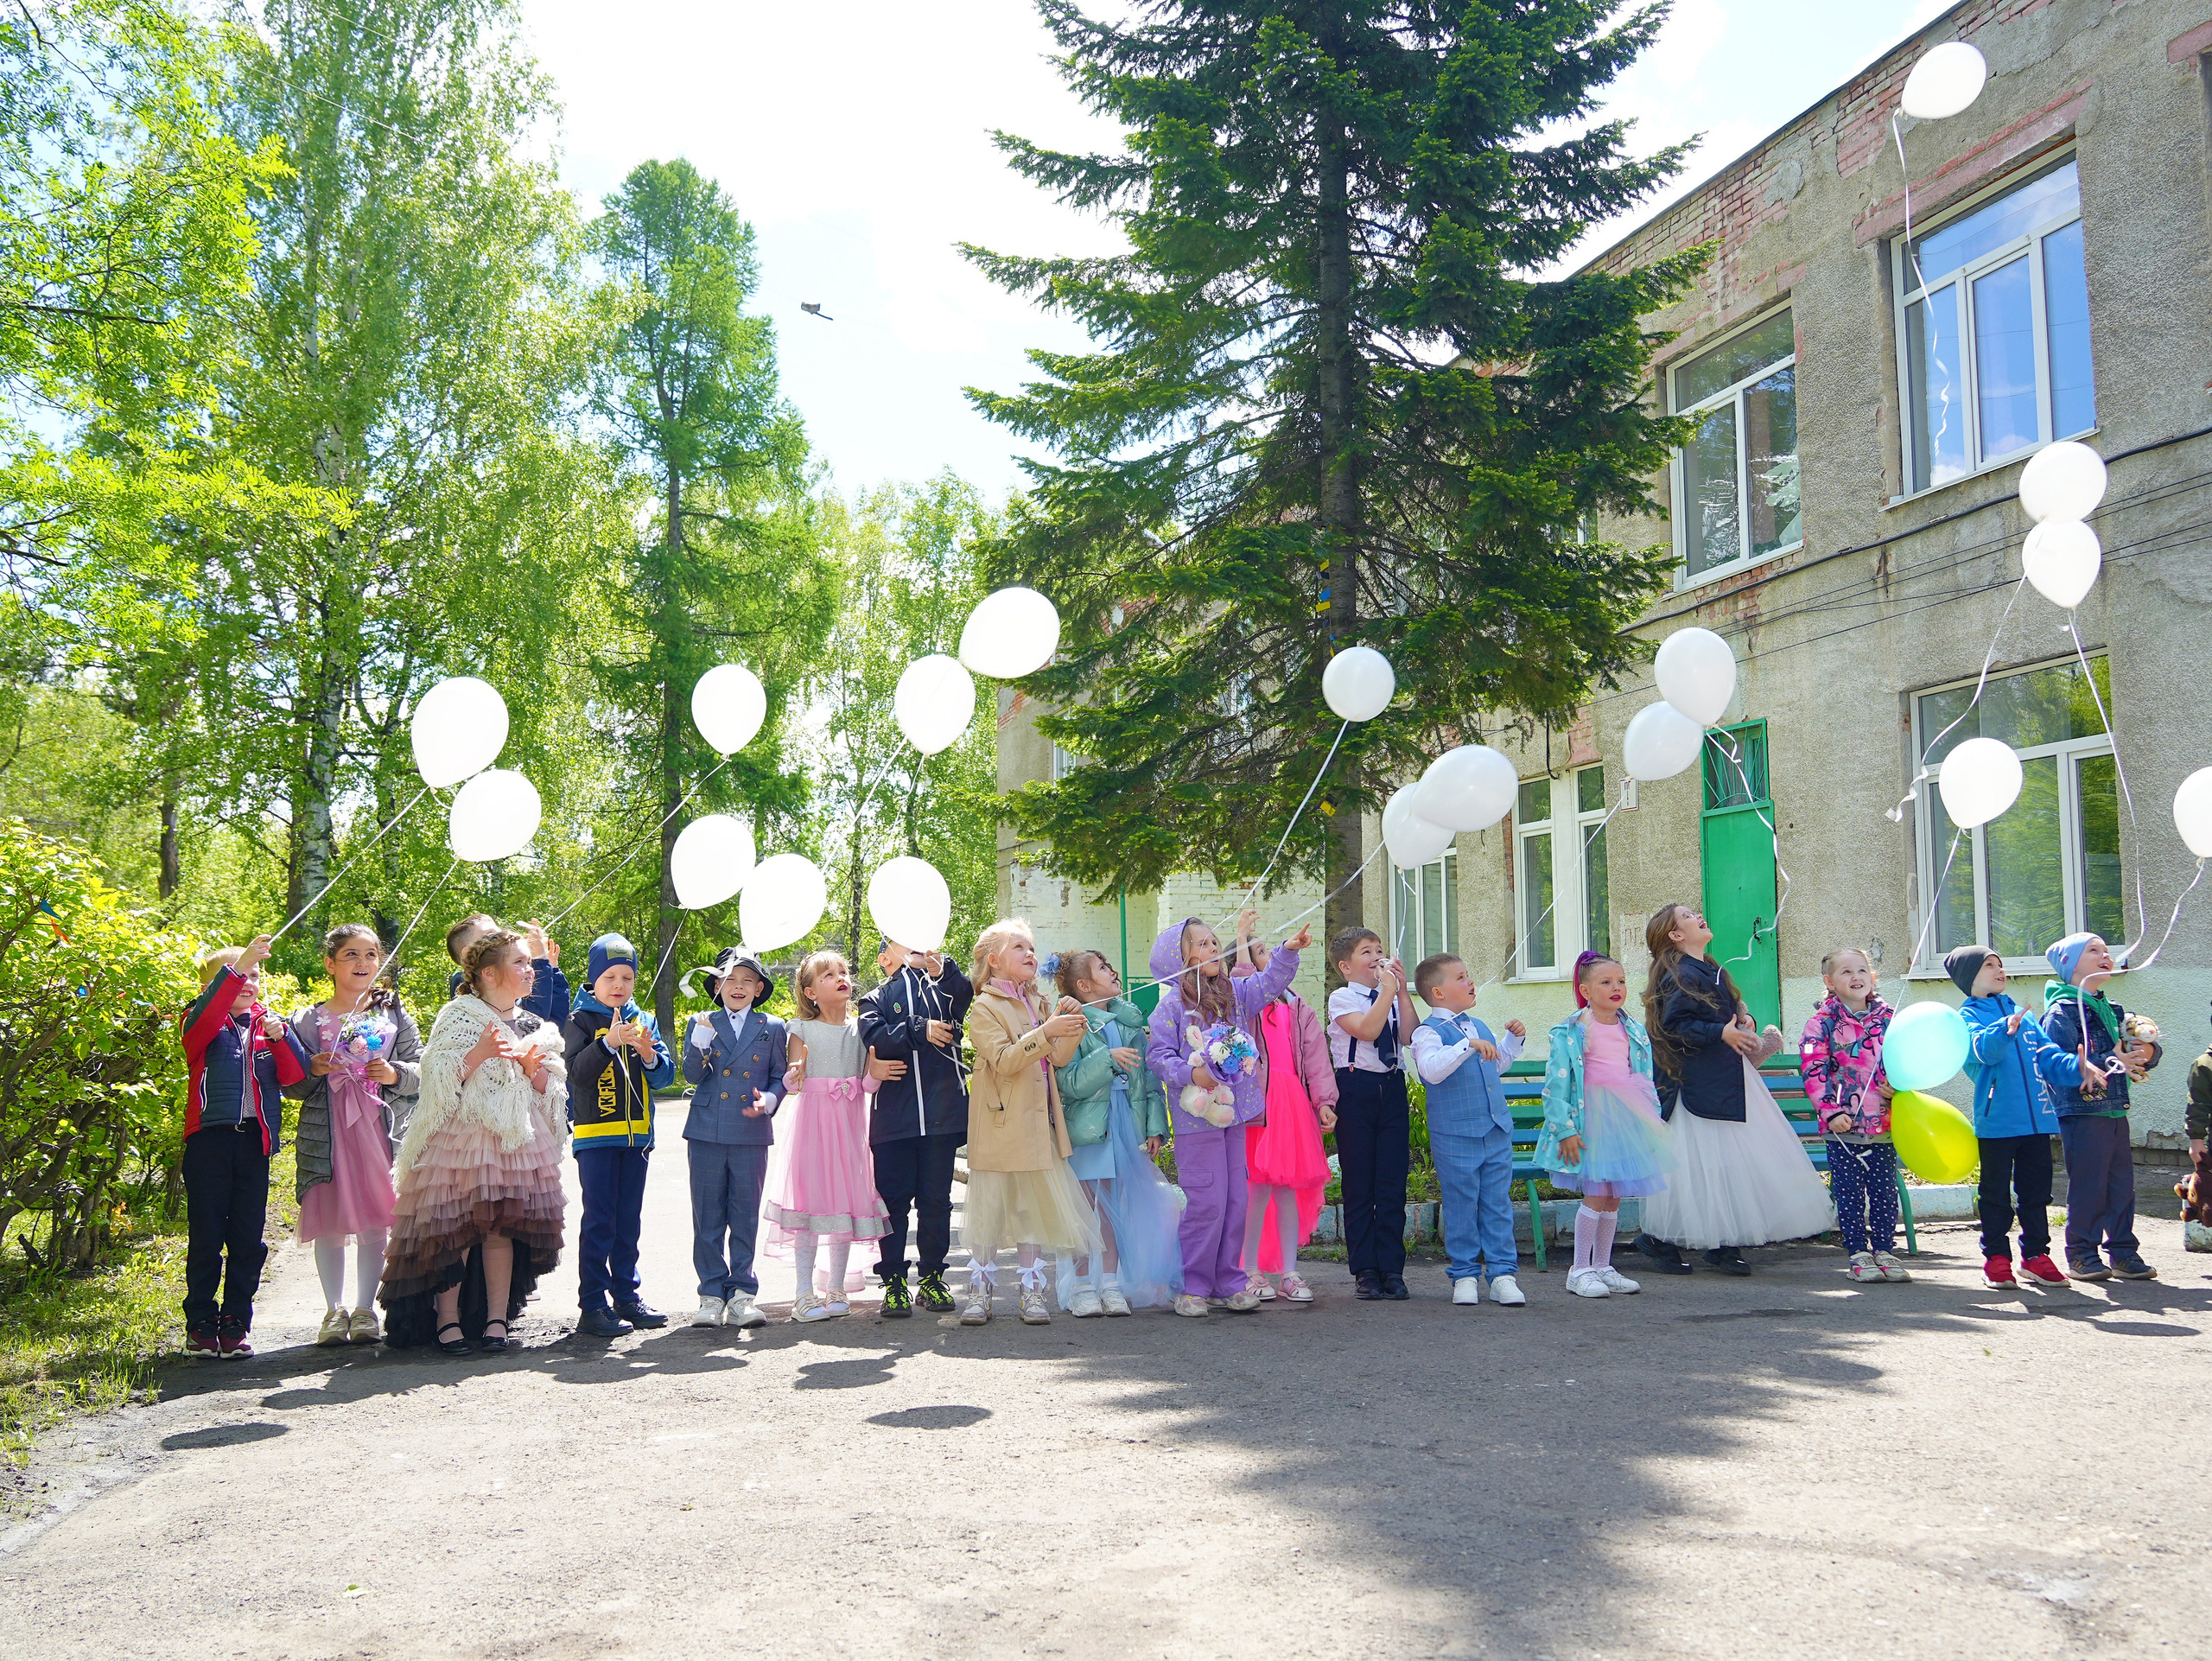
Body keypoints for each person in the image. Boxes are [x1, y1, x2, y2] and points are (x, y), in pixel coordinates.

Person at [381, 927, 567, 1354]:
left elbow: (550, 1091)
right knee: (456, 1231)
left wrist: (531, 1067)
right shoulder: (458, 1014)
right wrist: (479, 1052)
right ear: (488, 972)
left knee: (501, 1230)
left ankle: (496, 1321)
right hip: (461, 1140)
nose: (529, 969)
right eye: (519, 962)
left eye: (528, 961)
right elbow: (439, 1079)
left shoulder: (532, 1024)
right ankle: (448, 1322)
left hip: (515, 1142)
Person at [1637, 904, 1833, 1275]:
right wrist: (1721, 1032)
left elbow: (1717, 1017)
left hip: (1724, 1079)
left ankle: (1722, 1243)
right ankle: (1658, 1239)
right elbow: (1674, 1025)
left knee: (1728, 1161)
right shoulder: (1679, 973)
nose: (1697, 915)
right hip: (1694, 1085)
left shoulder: (1712, 969)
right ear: (1675, 935)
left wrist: (1741, 1022)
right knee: (1694, 1165)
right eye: (1687, 915)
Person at [1147, 913, 1310, 1317]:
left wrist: (1287, 953)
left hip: (1236, 1117)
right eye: (1200, 944)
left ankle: (1228, 1280)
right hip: (1195, 1120)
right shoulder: (1169, 1006)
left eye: (1213, 941)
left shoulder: (1234, 994)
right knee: (1207, 1202)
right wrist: (1192, 1073)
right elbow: (1158, 1056)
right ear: (1177, 959)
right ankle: (1191, 1285)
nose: (1213, 947)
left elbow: (1269, 982)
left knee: (1236, 1200)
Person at [286, 923, 420, 1346]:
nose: (363, 964)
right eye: (351, 955)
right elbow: (288, 1082)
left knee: (377, 1218)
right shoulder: (307, 1019)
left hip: (379, 1129)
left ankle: (365, 1310)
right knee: (329, 1221)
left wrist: (394, 1073)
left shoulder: (393, 1015)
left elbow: (421, 1066)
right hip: (327, 1136)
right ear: (330, 963)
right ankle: (333, 1310)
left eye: (370, 955)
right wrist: (312, 1069)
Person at [179, 933, 310, 1359]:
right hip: (208, 1143)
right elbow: (204, 1024)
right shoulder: (198, 1020)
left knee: (247, 1238)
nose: (248, 981)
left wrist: (280, 1038)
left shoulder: (267, 1025)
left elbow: (294, 1077)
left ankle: (236, 1319)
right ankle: (200, 1321)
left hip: (253, 1144)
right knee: (206, 1234)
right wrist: (239, 967)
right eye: (237, 975)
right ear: (210, 988)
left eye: (255, 974)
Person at [963, 920, 1100, 1325]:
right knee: (990, 1208)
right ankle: (980, 1289)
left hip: (1038, 1126)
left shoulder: (1038, 1002)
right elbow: (1005, 1060)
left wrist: (1071, 1024)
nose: (1030, 954)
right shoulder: (984, 1008)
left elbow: (1055, 1058)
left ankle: (1031, 1290)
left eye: (1032, 947)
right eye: (1019, 947)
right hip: (1000, 1124)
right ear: (995, 961)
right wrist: (1048, 1029)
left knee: (1031, 1211)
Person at [766, 951, 896, 1322]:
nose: (841, 977)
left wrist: (875, 1072)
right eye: (828, 975)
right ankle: (803, 1293)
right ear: (810, 992)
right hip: (813, 1124)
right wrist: (796, 1073)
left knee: (844, 1202)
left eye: (843, 971)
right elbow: (793, 1081)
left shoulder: (861, 1029)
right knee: (809, 1203)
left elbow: (867, 1084)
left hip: (850, 1126)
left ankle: (836, 1287)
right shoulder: (800, 1029)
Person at [1051, 947, 1179, 1314]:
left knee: (1113, 1208)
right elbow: (1068, 1081)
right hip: (1090, 1125)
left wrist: (1155, 1126)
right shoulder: (1073, 1025)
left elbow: (1150, 1079)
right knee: (1084, 1208)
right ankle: (1079, 1286)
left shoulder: (1129, 1024)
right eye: (1103, 968)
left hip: (1125, 1123)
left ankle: (1110, 1282)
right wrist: (1106, 1060)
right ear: (1084, 986)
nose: (1113, 972)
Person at [1535, 951, 1670, 1300]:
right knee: (1596, 1192)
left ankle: (1603, 1266)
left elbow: (1643, 1076)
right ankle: (1579, 1268)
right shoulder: (1572, 1030)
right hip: (1590, 1116)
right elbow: (1556, 1085)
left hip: (1625, 1116)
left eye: (1621, 981)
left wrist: (1650, 1121)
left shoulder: (1633, 1028)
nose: (1616, 988)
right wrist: (1565, 1129)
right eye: (1606, 982)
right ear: (1586, 989)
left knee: (1614, 1195)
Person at [1951, 944, 2082, 1290]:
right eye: (1989, 966)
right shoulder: (1966, 1017)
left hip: (2037, 1120)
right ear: (1970, 978)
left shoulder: (2022, 1014)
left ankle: (2036, 1256)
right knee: (1995, 1194)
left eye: (2000, 964)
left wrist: (2080, 1067)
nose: (1999, 970)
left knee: (2036, 1193)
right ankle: (1996, 1258)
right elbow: (1982, 1052)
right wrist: (2003, 1029)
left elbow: (2049, 1058)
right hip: (1997, 1123)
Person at [565, 932, 676, 1336]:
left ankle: (627, 1297)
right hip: (596, 1139)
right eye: (610, 976)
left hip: (637, 1140)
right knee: (600, 1221)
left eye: (627, 978)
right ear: (594, 979)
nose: (618, 986)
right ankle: (592, 1305)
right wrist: (608, 1044)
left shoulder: (644, 1020)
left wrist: (648, 1053)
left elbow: (663, 1076)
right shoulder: (577, 1020)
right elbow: (575, 1074)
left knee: (629, 1221)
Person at [858, 938, 973, 1317]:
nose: (915, 944)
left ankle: (932, 1278)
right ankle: (892, 1281)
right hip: (895, 1122)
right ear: (884, 958)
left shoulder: (942, 988)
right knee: (892, 1206)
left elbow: (964, 996)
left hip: (941, 1121)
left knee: (937, 1203)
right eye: (901, 939)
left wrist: (943, 970)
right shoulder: (873, 999)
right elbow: (875, 1038)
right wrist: (917, 1028)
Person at [2039, 932, 2161, 1282]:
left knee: (2122, 1185)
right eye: (2093, 950)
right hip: (2082, 1112)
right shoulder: (2060, 1013)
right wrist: (2112, 1058)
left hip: (2114, 1110)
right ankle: (2081, 1253)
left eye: (2106, 950)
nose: (2105, 955)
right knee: (2089, 1186)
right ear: (2070, 965)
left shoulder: (2115, 1011)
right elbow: (2059, 1065)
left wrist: (2147, 1054)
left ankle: (2123, 1252)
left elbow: (2139, 1052)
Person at [1411, 952, 1529, 1307]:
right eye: (1460, 977)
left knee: (1497, 1203)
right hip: (1456, 1133)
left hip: (1495, 1129)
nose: (1470, 981)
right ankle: (1463, 1275)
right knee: (1461, 1203)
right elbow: (1430, 1071)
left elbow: (1497, 1065)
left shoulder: (1478, 1025)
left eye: (1468, 974)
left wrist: (1510, 1043)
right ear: (1439, 992)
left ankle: (1502, 1274)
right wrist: (1465, 1046)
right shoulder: (1427, 1031)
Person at [680, 947, 784, 1330]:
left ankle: (742, 1294)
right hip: (707, 1127)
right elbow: (691, 1075)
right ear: (717, 985)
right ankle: (710, 1294)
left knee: (744, 1215)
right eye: (729, 979)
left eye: (746, 980)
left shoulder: (771, 1026)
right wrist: (701, 1042)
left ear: (759, 989)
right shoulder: (701, 1020)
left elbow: (778, 1075)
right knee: (707, 1214)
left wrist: (771, 1099)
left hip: (751, 1130)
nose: (737, 986)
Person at [1232, 926, 1338, 1303]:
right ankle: (1248, 1269)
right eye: (1259, 951)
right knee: (1256, 1191)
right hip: (1258, 1107)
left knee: (1288, 1191)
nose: (1268, 955)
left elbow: (1316, 1059)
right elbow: (1243, 982)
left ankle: (1290, 1271)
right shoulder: (1243, 1007)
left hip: (1291, 1105)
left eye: (1264, 951)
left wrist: (1324, 1102)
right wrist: (1242, 940)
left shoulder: (1298, 1008)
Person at [1797, 946, 1906, 1284]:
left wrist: (1900, 1088)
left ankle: (1885, 1250)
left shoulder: (1890, 1019)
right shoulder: (1821, 1024)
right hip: (1843, 1128)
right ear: (1829, 982)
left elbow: (1906, 1060)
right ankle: (1858, 1253)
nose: (1855, 977)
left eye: (1861, 970)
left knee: (1885, 1191)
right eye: (1846, 972)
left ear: (1872, 978)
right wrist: (1830, 1113)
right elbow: (1813, 1070)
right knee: (1849, 1192)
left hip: (1884, 1124)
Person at [1326, 926, 1417, 1301]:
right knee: (1360, 1184)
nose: (1377, 956)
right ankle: (1365, 1269)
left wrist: (1403, 991)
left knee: (1392, 1184)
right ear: (1347, 967)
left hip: (1392, 1087)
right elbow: (1366, 1030)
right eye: (1367, 952)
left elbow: (1409, 1036)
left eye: (1379, 949)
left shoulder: (1392, 995)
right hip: (1356, 1088)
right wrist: (1387, 993)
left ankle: (1392, 1269)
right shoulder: (1342, 998)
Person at [445, 913, 569, 1025]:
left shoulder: (510, 978)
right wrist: (540, 961)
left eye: (500, 932)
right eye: (491, 935)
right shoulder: (466, 984)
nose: (501, 938)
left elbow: (557, 1021)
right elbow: (530, 1025)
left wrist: (552, 969)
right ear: (467, 953)